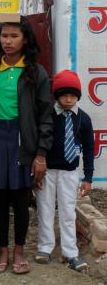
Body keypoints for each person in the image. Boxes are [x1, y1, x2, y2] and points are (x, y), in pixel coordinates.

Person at [0, 16, 53, 275]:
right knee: (0, 198)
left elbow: (46, 115)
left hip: (23, 139)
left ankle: (20, 252)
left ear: (25, 40)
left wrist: (41, 154)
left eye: (14, 36)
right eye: (4, 36)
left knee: (21, 198)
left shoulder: (35, 72)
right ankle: (3, 251)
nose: (8, 41)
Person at [35, 70, 93, 271]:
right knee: (45, 209)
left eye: (72, 95)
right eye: (63, 95)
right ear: (56, 95)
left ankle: (70, 252)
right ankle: (45, 247)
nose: (68, 100)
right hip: (48, 171)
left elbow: (88, 148)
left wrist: (89, 178)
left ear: (78, 96)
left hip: (70, 173)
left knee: (68, 212)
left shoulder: (83, 119)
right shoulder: (48, 115)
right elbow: (38, 143)